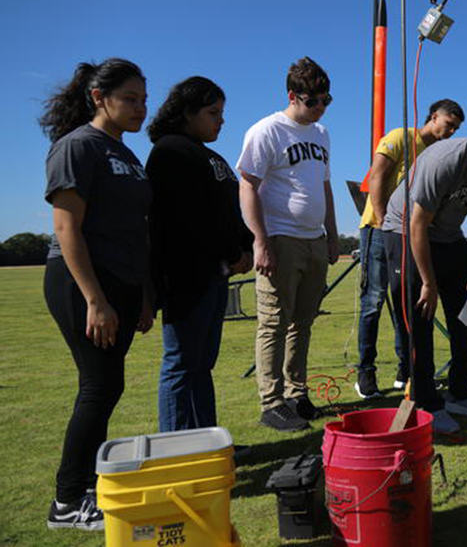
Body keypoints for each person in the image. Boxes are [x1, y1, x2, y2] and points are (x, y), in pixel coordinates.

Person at [39, 58, 154, 531]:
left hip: (123, 284)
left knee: (108, 386)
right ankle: (66, 502)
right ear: (98, 97)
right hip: (83, 283)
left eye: (144, 100)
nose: (140, 109)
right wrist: (95, 299)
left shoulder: (126, 153)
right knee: (99, 385)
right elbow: (67, 228)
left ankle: (85, 486)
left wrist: (143, 294)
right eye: (130, 99)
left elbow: (138, 228)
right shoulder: (77, 147)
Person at [382, 113, 467, 433]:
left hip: (447, 236)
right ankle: (427, 403)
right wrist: (428, 283)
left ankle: (461, 392)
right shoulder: (444, 161)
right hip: (404, 233)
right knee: (420, 317)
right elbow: (416, 223)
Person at [146, 77, 254, 432]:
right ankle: (175, 448)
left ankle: (207, 441)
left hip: (215, 274)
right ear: (186, 112)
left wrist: (247, 247)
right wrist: (230, 252)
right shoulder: (170, 152)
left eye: (221, 113)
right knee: (180, 363)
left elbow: (228, 213)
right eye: (212, 113)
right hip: (186, 275)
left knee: (202, 363)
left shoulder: (209, 155)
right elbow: (189, 217)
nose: (220, 120)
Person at [237, 57, 339, 432]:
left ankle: (297, 392)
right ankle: (272, 401)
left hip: (314, 239)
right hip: (280, 237)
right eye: (314, 101)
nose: (321, 108)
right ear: (293, 96)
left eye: (327, 100)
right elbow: (247, 184)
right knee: (274, 323)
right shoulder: (266, 131)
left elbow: (324, 186)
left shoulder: (322, 133)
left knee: (303, 322)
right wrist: (260, 241)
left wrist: (331, 232)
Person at [355, 99, 464, 399]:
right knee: (373, 303)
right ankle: (366, 374)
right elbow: (377, 177)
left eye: (455, 128)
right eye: (448, 124)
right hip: (381, 230)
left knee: (406, 301)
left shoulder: (439, 153)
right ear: (433, 117)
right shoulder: (400, 137)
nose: (451, 131)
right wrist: (380, 222)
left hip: (410, 234)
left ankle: (407, 372)